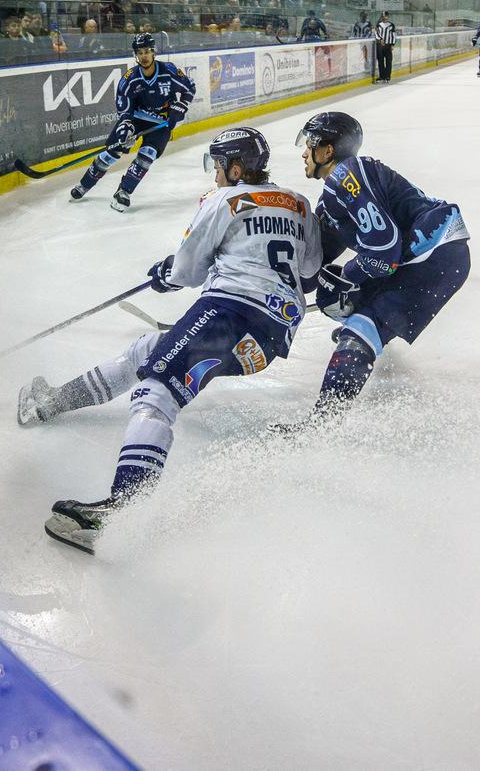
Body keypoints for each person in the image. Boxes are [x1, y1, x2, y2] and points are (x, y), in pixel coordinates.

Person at [19, 127, 322, 554]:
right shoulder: (299, 204)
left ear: (236, 170)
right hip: (271, 339)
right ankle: (55, 401)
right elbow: (308, 273)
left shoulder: (224, 200)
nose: (215, 174)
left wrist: (167, 274)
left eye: (219, 166)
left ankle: (118, 513)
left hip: (229, 313)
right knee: (148, 350)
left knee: (157, 391)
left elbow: (187, 271)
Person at [279, 112, 470, 430]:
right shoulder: (335, 195)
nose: (304, 152)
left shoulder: (346, 175)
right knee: (354, 307)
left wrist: (349, 279)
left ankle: (322, 423)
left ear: (328, 150)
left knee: (360, 327)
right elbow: (320, 259)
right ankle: (370, 333)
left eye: (310, 143)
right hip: (431, 254)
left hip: (434, 253)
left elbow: (384, 249)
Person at [70, 32, 196, 212]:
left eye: (147, 51)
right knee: (111, 153)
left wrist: (180, 106)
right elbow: (125, 110)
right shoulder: (129, 79)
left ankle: (124, 191)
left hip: (161, 121)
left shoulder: (168, 71)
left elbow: (189, 88)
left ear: (153, 52)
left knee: (147, 154)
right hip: (136, 118)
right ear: (135, 55)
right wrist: (125, 127)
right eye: (140, 52)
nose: (144, 56)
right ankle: (84, 185)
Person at [374, 11, 396, 82]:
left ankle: (387, 76)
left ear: (388, 16)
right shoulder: (379, 24)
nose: (384, 17)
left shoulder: (391, 25)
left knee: (388, 61)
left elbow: (393, 35)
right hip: (380, 45)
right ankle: (382, 76)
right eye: (383, 16)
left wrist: (392, 44)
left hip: (388, 45)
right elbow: (376, 33)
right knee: (380, 61)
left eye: (385, 16)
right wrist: (380, 39)